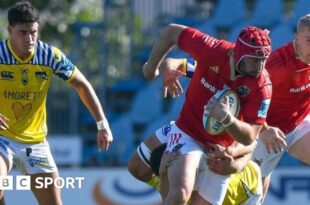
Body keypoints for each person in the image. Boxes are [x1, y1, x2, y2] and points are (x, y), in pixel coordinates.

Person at [141, 23, 272, 205]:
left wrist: (227, 119)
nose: (261, 66)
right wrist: (151, 67)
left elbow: (250, 137)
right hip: (188, 134)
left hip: (219, 153)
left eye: (264, 59)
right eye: (255, 60)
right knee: (179, 194)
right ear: (240, 53)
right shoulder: (213, 50)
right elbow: (170, 31)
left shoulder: (262, 87)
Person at [0, 1, 113, 205]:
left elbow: (82, 85)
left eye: (33, 32)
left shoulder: (49, 55)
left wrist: (102, 124)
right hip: (2, 138)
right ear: (9, 30)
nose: (29, 38)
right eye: (23, 32)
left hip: (35, 142)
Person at [251, 13, 310, 202]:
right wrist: (264, 130)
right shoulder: (276, 68)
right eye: (309, 40)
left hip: (299, 124)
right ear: (297, 39)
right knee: (253, 197)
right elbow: (247, 100)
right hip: (268, 132)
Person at [149, 142, 263, 205]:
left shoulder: (206, 158)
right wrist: (162, 171)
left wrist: (236, 164)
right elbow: (168, 198)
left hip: (249, 190)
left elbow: (251, 144)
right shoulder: (170, 183)